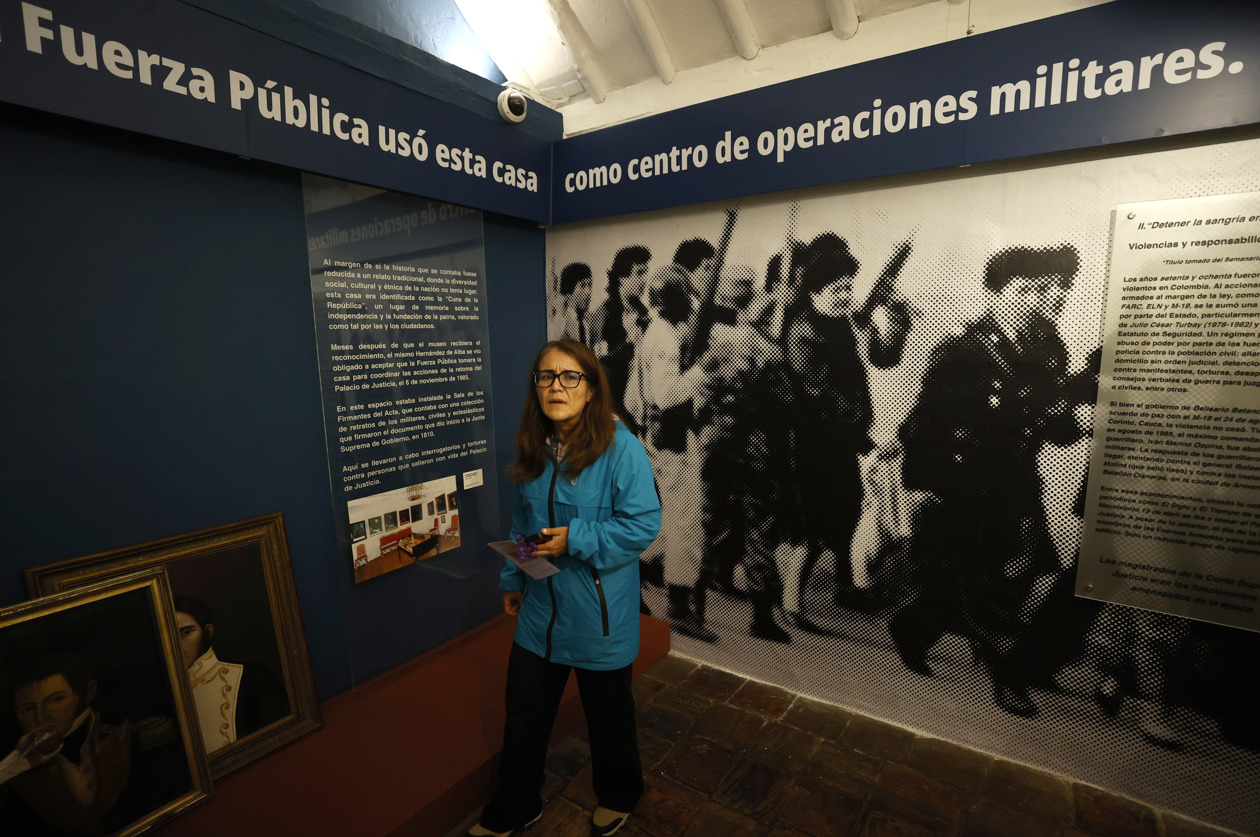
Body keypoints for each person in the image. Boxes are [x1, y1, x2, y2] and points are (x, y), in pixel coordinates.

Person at [470, 339, 661, 837]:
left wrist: (577, 538)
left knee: (609, 718)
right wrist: (514, 576)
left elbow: (642, 526)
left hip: (599, 615)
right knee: (525, 714)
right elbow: (524, 521)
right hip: (541, 611)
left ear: (593, 388)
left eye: (570, 376)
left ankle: (620, 792)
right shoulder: (535, 446)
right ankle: (516, 805)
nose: (557, 386)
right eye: (546, 377)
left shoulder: (623, 450)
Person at [893, 244, 1082, 718]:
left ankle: (915, 626)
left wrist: (1078, 422)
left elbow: (1047, 416)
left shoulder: (1046, 345)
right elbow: (924, 421)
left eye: (1041, 289)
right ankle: (1009, 671)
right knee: (988, 580)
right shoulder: (963, 350)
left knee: (996, 571)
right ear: (995, 293)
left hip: (1014, 481)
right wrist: (921, 479)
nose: (1037, 299)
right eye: (1026, 290)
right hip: (964, 481)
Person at [0, 652, 187, 835]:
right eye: (27, 709)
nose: (41, 718)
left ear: (89, 692)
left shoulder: (139, 738)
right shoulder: (15, 774)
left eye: (56, 699)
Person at [174, 597, 288, 755]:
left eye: (186, 633)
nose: (176, 644)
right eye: (170, 637)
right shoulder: (164, 696)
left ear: (208, 631)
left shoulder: (252, 676)